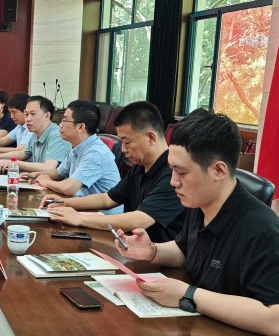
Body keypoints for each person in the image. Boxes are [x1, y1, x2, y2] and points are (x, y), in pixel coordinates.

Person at [112, 109, 279, 336]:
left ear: (218, 171)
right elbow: (186, 250)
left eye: (182, 172)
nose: (173, 181)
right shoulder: (200, 204)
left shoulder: (260, 229)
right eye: (172, 170)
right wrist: (152, 251)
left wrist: (188, 295)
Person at [41, 101, 185, 242]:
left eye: (127, 142)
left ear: (151, 137)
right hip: (134, 246)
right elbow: (107, 199)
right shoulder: (140, 167)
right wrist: (65, 203)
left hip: (159, 252)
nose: (123, 149)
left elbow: (140, 220)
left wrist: (80, 219)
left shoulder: (172, 173)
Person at [24, 100, 122, 214]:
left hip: (101, 216)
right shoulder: (77, 146)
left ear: (80, 127)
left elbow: (69, 188)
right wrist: (36, 175)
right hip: (82, 208)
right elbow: (59, 173)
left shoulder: (96, 153)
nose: (60, 125)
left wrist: (47, 182)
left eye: (65, 120)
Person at [0, 95, 70, 174]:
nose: (28, 119)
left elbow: (49, 167)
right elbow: (22, 154)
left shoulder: (57, 135)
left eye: (33, 114)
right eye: (26, 114)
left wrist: (15, 163)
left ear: (47, 116)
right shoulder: (36, 133)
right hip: (38, 180)